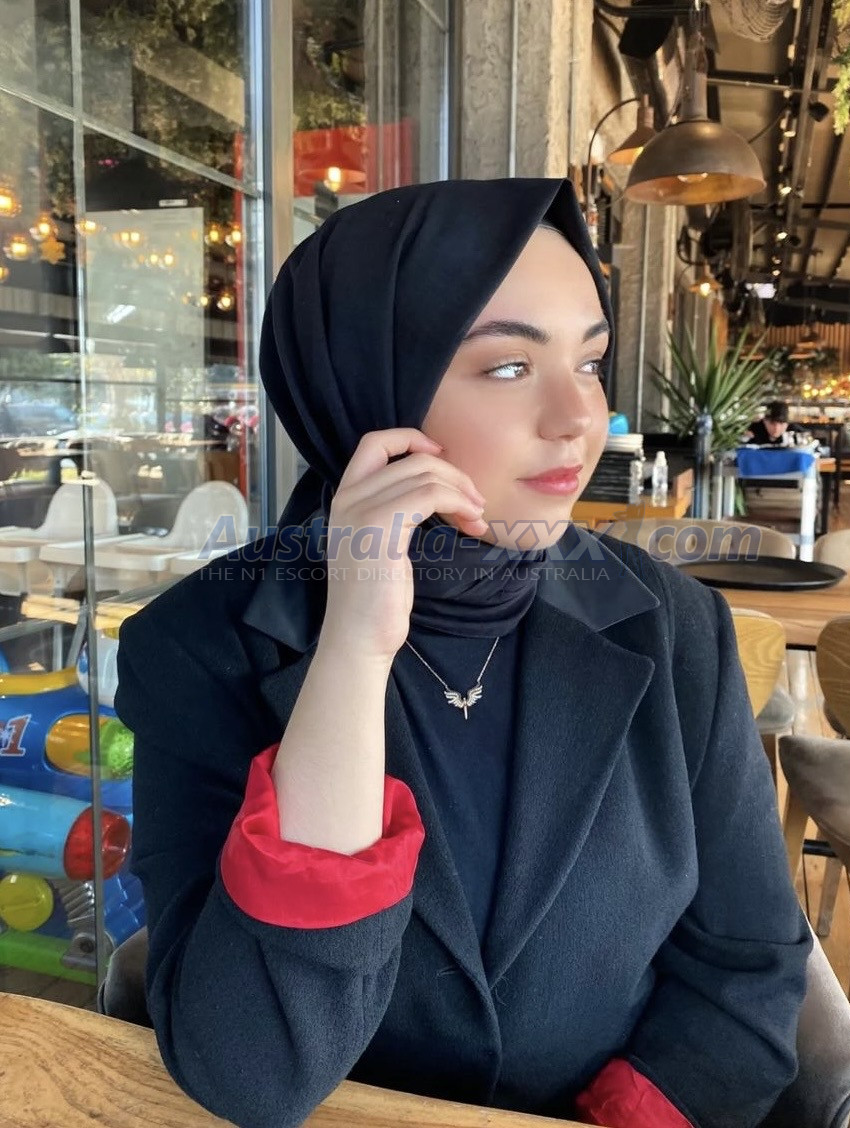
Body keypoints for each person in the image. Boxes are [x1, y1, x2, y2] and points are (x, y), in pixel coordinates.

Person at [115, 178, 811, 1128]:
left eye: (590, 362)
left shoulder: (674, 626)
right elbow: (251, 1071)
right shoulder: (199, 648)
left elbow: (747, 964)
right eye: (509, 367)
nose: (580, 418)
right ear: (368, 386)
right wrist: (353, 649)